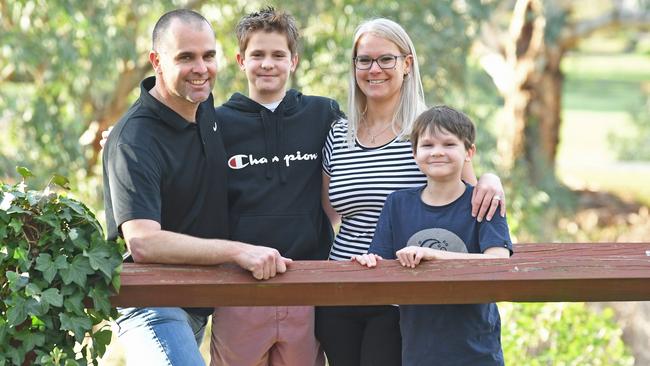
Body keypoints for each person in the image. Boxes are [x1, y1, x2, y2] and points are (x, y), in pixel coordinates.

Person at [102, 9, 291, 366]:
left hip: (198, 301)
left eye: (208, 55)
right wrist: (238, 251)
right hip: (152, 304)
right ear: (156, 61)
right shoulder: (134, 139)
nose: (201, 68)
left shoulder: (203, 109)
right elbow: (143, 241)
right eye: (186, 57)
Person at [315, 19, 506, 366]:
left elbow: (469, 198)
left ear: (406, 64)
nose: (374, 69)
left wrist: (492, 178)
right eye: (364, 60)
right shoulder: (338, 134)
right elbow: (330, 214)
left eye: (386, 59)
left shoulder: (428, 133)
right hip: (340, 286)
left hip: (399, 296)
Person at [209, 7, 343, 366]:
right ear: (240, 60)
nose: (267, 64)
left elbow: (378, 141)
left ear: (294, 60)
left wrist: (480, 178)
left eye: (278, 55)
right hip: (239, 287)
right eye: (257, 55)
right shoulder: (217, 123)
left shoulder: (323, 114)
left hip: (307, 282)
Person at [354, 105, 512, 366]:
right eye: (427, 145)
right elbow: (382, 268)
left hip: (477, 351)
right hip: (418, 351)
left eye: (449, 144)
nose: (438, 152)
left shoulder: (484, 202)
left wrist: (432, 255)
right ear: (414, 153)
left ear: (469, 152)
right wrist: (368, 263)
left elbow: (499, 263)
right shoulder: (397, 204)